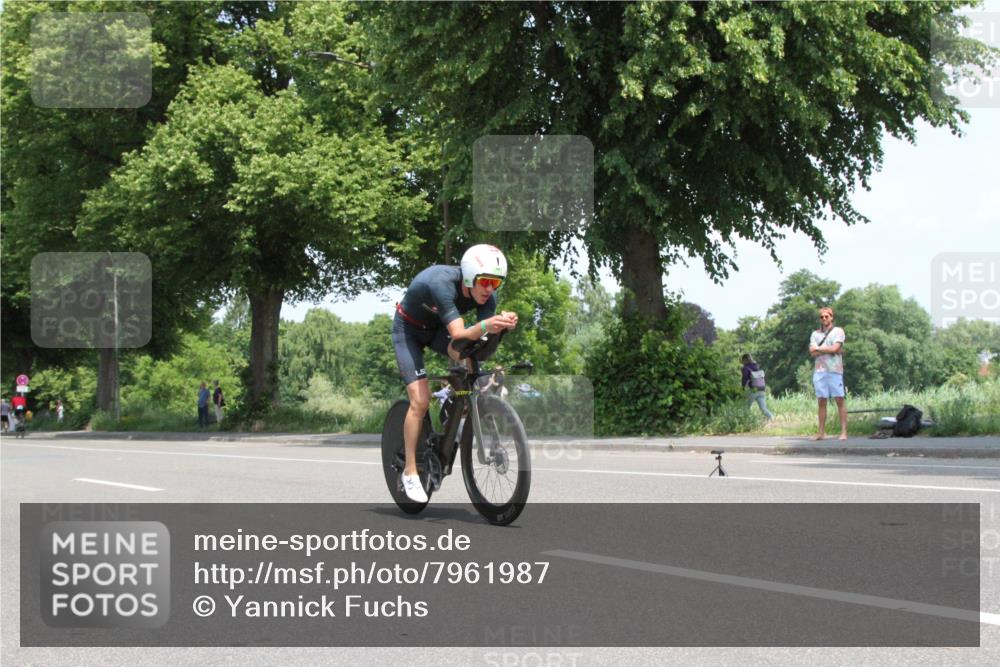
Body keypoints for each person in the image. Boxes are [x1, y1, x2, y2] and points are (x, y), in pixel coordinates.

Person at [392, 244, 518, 502]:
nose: (489, 289)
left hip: (438, 330)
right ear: (470, 276)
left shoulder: (488, 297)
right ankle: (410, 471)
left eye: (496, 283)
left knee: (472, 364)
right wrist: (488, 324)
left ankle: (457, 408)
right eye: (485, 281)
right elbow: (460, 333)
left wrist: (500, 328)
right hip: (409, 331)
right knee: (421, 400)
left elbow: (476, 342)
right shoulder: (442, 283)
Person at [809, 306, 847, 441]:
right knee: (821, 401)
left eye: (826, 316)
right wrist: (829, 350)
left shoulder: (838, 331)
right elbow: (812, 352)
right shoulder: (815, 334)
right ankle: (821, 433)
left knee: (839, 400)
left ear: (831, 317)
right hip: (820, 371)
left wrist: (819, 348)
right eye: (822, 317)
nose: (824, 318)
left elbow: (835, 348)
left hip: (834, 370)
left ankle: (843, 432)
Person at [740, 354, 773, 420]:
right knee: (763, 409)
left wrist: (743, 387)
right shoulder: (757, 366)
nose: (742, 362)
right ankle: (772, 418)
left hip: (753, 391)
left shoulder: (745, 368)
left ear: (744, 360)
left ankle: (747, 421)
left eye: (742, 361)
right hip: (762, 389)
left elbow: (744, 379)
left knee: (746, 407)